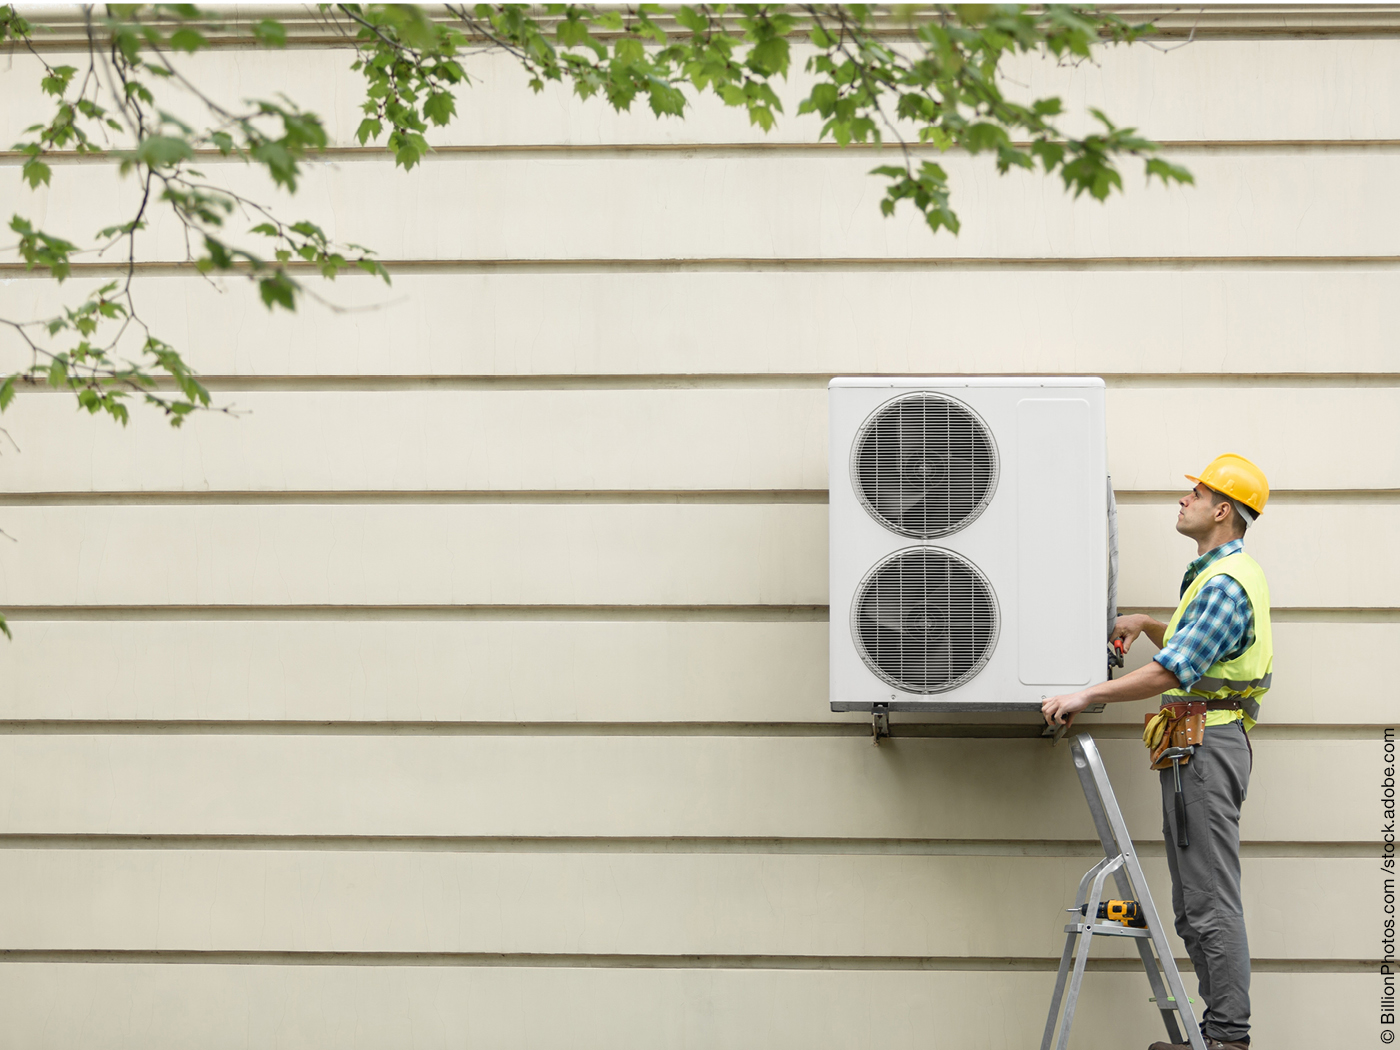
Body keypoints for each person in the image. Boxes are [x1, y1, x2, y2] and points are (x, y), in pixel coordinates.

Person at [1041, 454, 1273, 1050]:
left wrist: (1087, 692)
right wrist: (1146, 621)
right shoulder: (1213, 575)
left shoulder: (1225, 583)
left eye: (1194, 494)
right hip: (1195, 743)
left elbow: (1174, 671)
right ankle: (1215, 1031)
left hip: (1208, 744)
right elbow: (1200, 652)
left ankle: (1226, 1039)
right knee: (1193, 899)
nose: (1182, 501)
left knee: (1208, 897)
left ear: (1222, 510)